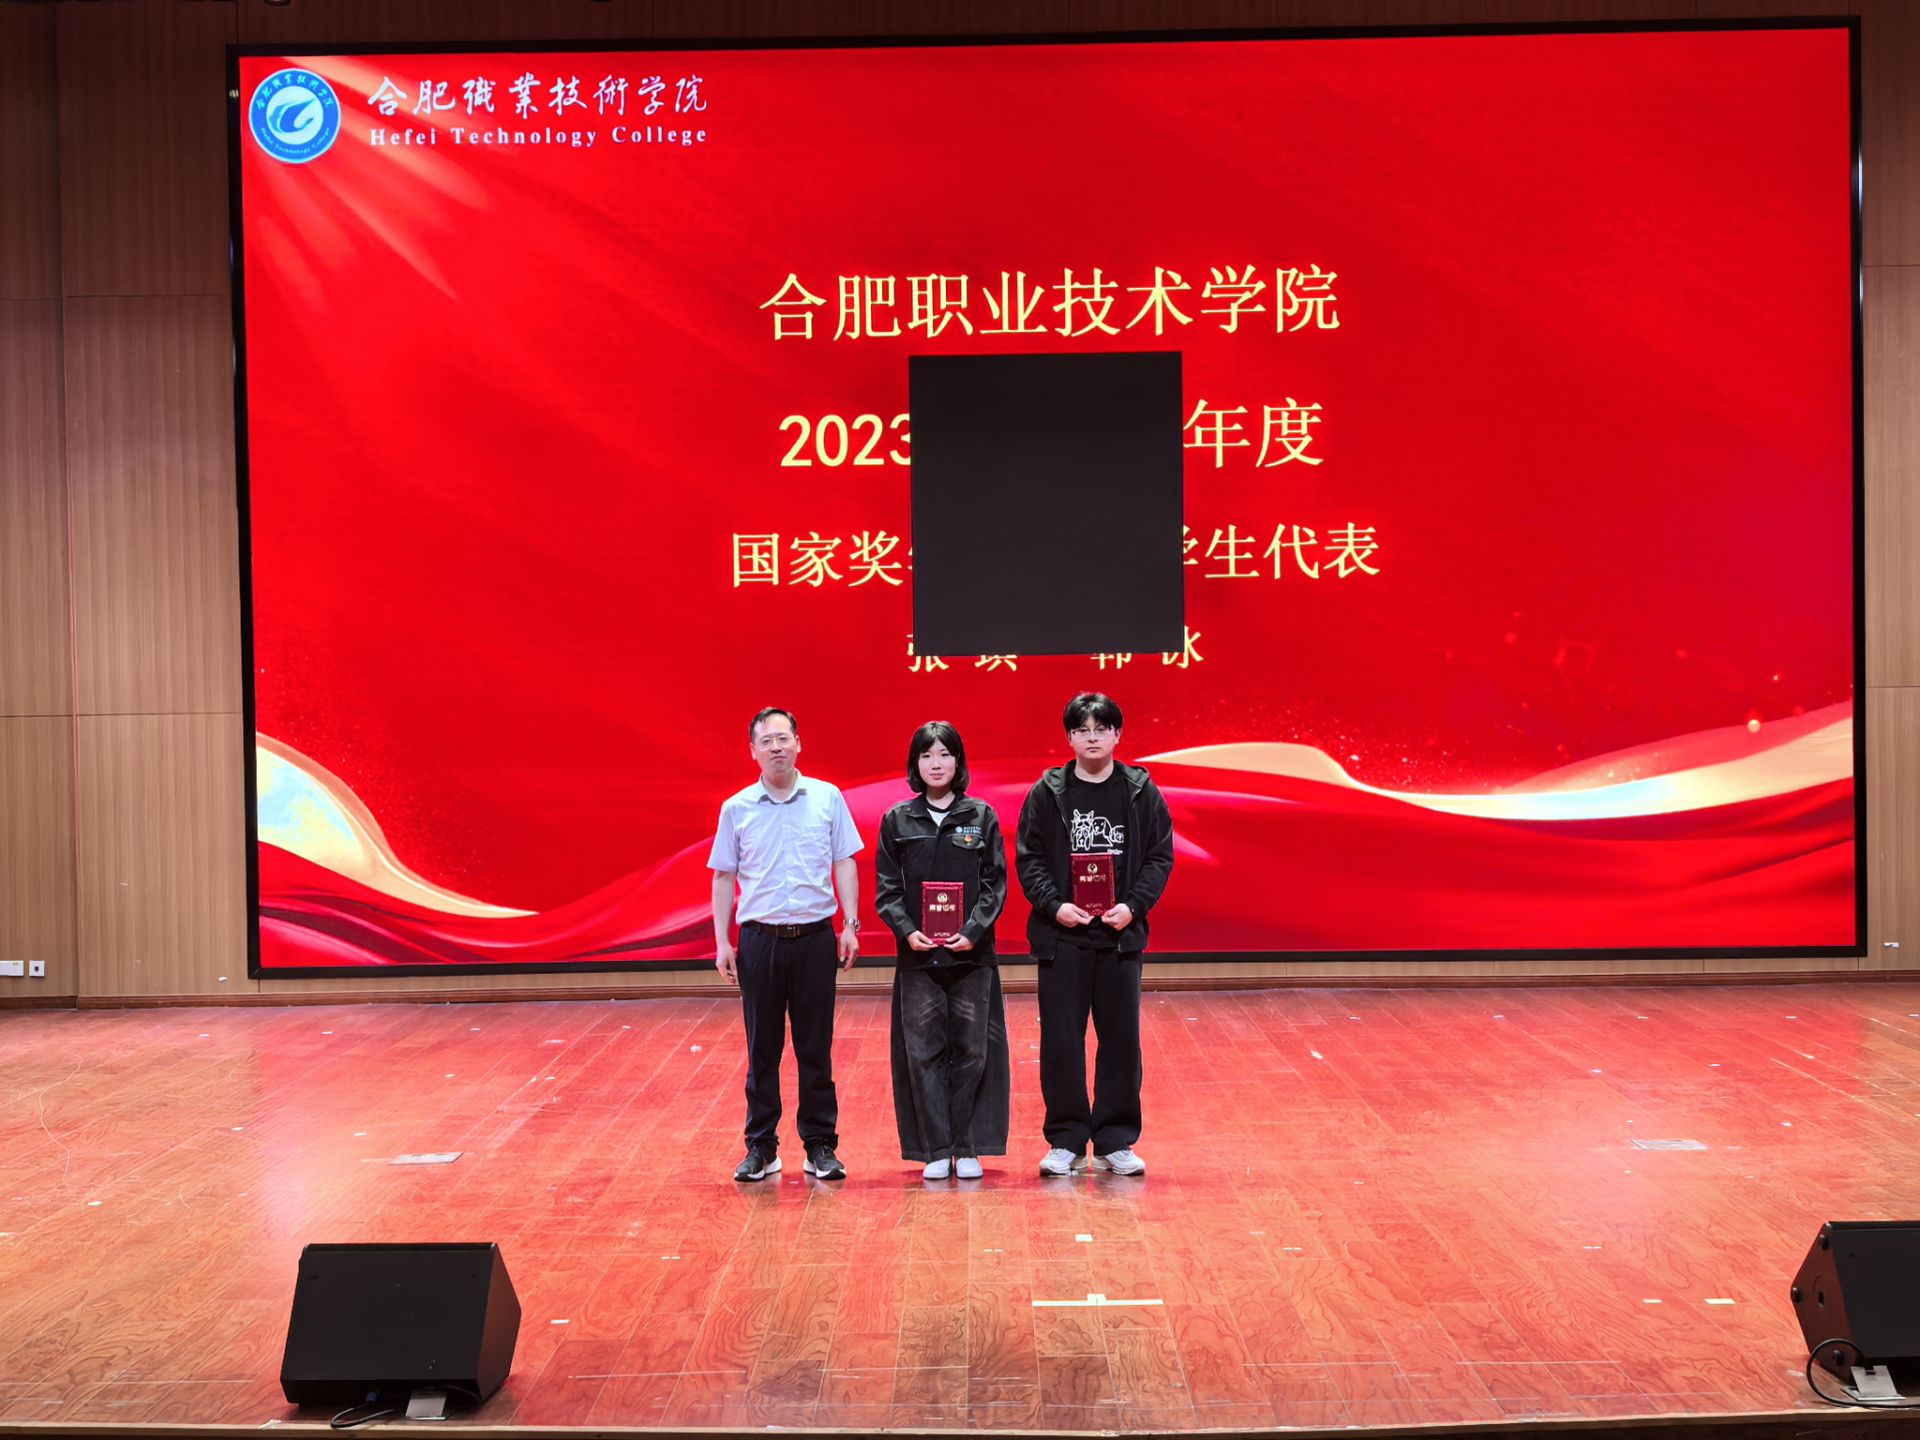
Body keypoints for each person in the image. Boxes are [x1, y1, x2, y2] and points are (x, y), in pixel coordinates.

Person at [1016, 691, 1175, 1177]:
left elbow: (1159, 857)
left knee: (1121, 1041)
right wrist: (1054, 906)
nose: (1092, 737)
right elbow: (1029, 858)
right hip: (1062, 937)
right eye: (1082, 730)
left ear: (1116, 735)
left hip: (1119, 937)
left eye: (1101, 729)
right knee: (1062, 1042)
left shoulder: (1140, 791)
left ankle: (1114, 1141)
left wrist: (1133, 906)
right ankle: (1065, 1140)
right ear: (1069, 737)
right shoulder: (1048, 792)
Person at [709, 707, 862, 1182]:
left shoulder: (826, 797)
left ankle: (820, 1144)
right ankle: (761, 1146)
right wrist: (722, 941)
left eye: (783, 738)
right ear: (752, 751)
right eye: (766, 741)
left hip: (816, 938)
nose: (776, 747)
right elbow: (723, 875)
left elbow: (845, 861)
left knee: (815, 1047)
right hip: (760, 940)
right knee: (763, 1049)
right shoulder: (737, 808)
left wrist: (850, 924)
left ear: (799, 743)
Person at [874, 721, 1011, 1181]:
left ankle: (966, 1146)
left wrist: (972, 931)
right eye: (927, 755)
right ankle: (935, 1147)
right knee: (923, 1052)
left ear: (958, 762)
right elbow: (888, 891)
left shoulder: (981, 815)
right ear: (915, 764)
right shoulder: (897, 820)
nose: (936, 764)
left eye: (945, 754)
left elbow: (995, 885)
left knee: (973, 1050)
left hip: (972, 956)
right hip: (918, 958)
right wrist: (907, 931)